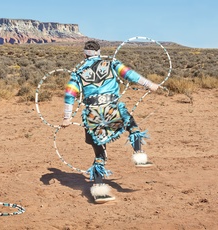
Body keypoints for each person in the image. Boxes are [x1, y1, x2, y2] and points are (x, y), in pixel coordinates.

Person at [61, 40, 159, 203]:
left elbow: (70, 94)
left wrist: (67, 118)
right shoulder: (111, 63)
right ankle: (139, 155)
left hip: (92, 115)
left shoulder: (77, 72)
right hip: (112, 110)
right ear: (99, 53)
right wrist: (149, 85)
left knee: (100, 154)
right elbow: (129, 74)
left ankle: (99, 191)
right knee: (132, 126)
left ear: (84, 55)